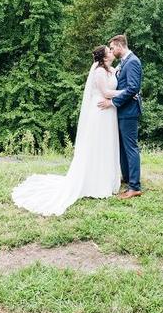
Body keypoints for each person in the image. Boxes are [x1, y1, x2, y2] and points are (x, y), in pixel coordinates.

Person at [12, 45, 123, 216]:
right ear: (104, 57)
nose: (111, 51)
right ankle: (94, 183)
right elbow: (106, 92)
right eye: (109, 50)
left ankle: (105, 180)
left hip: (109, 112)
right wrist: (126, 92)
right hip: (100, 111)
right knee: (97, 145)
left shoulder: (111, 69)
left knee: (106, 145)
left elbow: (115, 79)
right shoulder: (99, 72)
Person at [98, 34, 143, 199]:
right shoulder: (123, 63)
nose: (111, 51)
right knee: (123, 147)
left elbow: (132, 88)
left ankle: (135, 187)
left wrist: (113, 102)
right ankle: (128, 178)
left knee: (130, 148)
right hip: (123, 110)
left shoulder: (133, 62)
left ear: (119, 45)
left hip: (129, 111)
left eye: (112, 48)